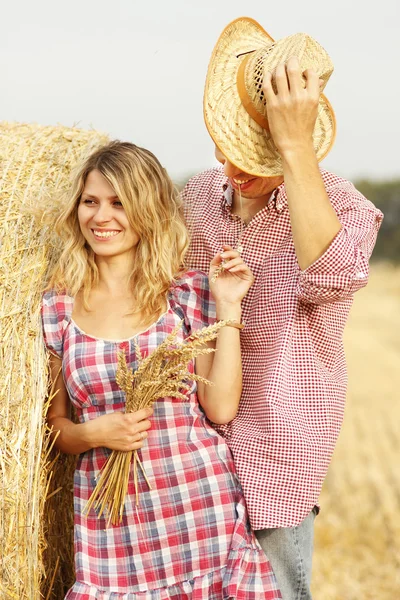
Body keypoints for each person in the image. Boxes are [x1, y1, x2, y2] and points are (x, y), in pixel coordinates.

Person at [182, 17, 383, 600]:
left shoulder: (343, 206)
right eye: (230, 141)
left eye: (257, 149)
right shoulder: (196, 197)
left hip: (275, 454)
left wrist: (291, 145)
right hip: (191, 449)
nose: (235, 165)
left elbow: (334, 275)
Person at [41, 141, 282, 599]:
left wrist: (228, 305)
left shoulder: (184, 294)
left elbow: (221, 407)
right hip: (110, 530)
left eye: (118, 203)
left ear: (147, 209)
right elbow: (57, 430)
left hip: (198, 513)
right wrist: (96, 433)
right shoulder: (58, 308)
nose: (101, 217)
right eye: (90, 202)